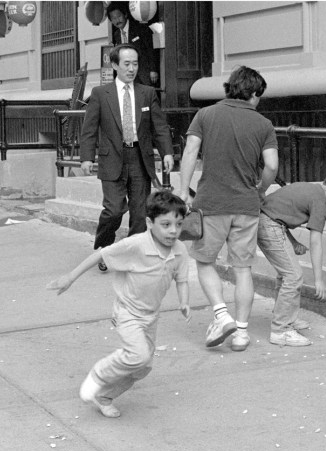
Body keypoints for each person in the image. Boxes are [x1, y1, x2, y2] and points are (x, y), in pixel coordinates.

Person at [47, 190, 192, 418]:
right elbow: (100, 255)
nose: (173, 231)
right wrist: (70, 277)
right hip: (127, 312)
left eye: (178, 224)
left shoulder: (180, 250)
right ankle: (99, 373)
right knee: (138, 356)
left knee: (143, 367)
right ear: (149, 223)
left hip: (150, 316)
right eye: (165, 224)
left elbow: (182, 279)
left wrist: (184, 301)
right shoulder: (135, 245)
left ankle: (105, 396)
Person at [174, 65, 278, 352]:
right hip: (246, 205)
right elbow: (271, 165)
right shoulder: (263, 124)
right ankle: (242, 333)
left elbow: (191, 151)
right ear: (253, 93)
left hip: (212, 203)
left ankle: (221, 315)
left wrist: (183, 191)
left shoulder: (205, 115)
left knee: (205, 262)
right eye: (260, 95)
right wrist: (260, 189)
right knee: (243, 269)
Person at [79, 44, 173, 272]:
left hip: (140, 157)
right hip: (112, 158)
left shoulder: (147, 93)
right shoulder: (101, 94)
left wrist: (167, 151)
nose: (132, 69)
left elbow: (159, 126)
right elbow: (89, 128)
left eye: (135, 63)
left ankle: (133, 254)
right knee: (114, 210)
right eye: (126, 64)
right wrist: (86, 157)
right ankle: (104, 249)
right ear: (114, 65)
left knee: (140, 213)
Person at [257, 168, 326, 346]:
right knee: (293, 276)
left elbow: (277, 214)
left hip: (266, 222)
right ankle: (281, 329)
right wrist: (319, 279)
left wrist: (293, 242)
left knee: (286, 274)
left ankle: (286, 317)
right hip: (269, 225)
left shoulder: (313, 190)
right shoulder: (320, 201)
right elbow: (316, 242)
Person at [106, 3, 157, 87]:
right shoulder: (117, 34)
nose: (117, 20)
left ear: (125, 14)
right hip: (128, 76)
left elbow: (150, 49)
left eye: (119, 16)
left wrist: (153, 70)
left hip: (144, 74)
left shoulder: (140, 28)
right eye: (113, 18)